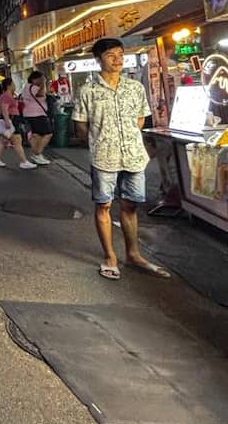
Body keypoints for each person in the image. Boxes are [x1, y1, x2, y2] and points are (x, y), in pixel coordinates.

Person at [73, 38, 170, 281]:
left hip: (133, 156)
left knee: (130, 205)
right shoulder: (87, 91)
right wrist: (99, 141)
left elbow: (140, 119)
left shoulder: (135, 88)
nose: (117, 60)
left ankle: (133, 254)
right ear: (98, 59)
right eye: (110, 55)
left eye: (120, 54)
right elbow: (81, 126)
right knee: (103, 205)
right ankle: (110, 257)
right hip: (104, 157)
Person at [0, 79, 38, 170]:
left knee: (3, 140)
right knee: (17, 140)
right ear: (9, 85)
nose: (14, 86)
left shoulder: (8, 95)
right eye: (13, 84)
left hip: (12, 119)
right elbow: (4, 110)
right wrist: (7, 122)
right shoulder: (6, 96)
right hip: (11, 120)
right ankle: (23, 161)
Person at [21, 71, 53, 165]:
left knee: (37, 135)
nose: (41, 80)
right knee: (48, 133)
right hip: (36, 114)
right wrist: (43, 83)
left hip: (30, 114)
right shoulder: (33, 87)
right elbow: (41, 94)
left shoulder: (27, 87)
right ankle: (37, 153)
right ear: (34, 79)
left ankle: (37, 155)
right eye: (40, 79)